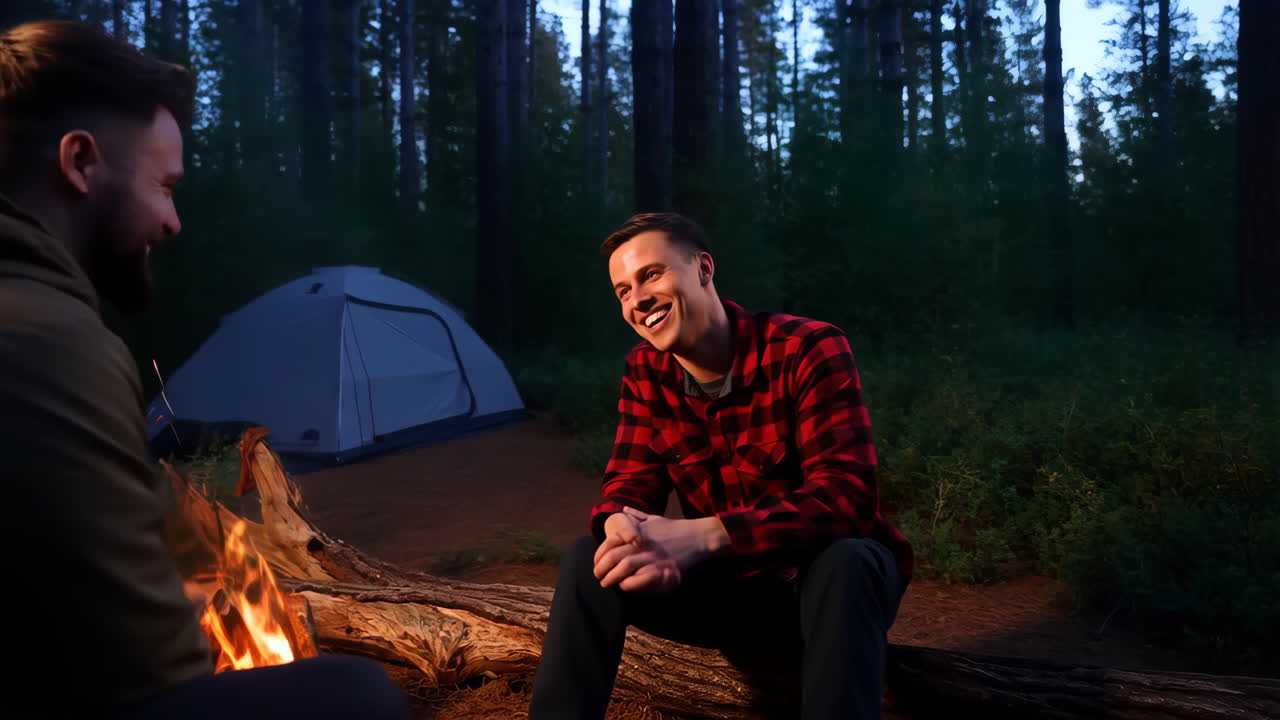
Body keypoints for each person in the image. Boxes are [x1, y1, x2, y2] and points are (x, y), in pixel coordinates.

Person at [0, 21, 411, 719]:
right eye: (164, 186)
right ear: (80, 162)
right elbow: (151, 679)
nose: (174, 221)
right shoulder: (47, 339)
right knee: (356, 695)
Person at [528, 213, 915, 720]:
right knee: (589, 557)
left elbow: (847, 497)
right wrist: (620, 524)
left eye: (651, 275)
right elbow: (629, 480)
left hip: (825, 594)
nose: (637, 300)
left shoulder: (808, 348)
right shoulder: (645, 370)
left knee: (847, 558)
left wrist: (704, 536)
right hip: (731, 593)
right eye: (622, 291)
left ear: (703, 270)